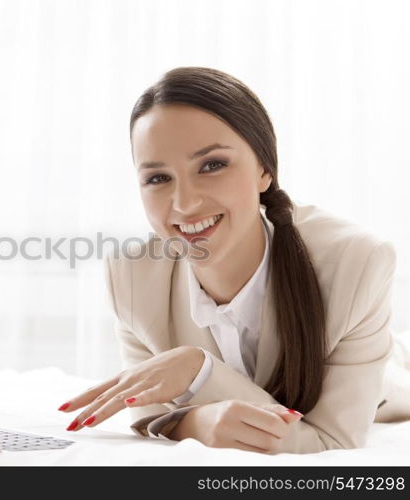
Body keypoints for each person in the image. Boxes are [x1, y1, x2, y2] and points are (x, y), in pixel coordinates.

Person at [56, 66, 410, 454]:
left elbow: (331, 444)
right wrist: (196, 422)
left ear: (263, 169)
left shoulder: (355, 264)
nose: (185, 204)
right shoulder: (131, 277)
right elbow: (151, 421)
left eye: (212, 165)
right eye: (158, 178)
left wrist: (199, 372)